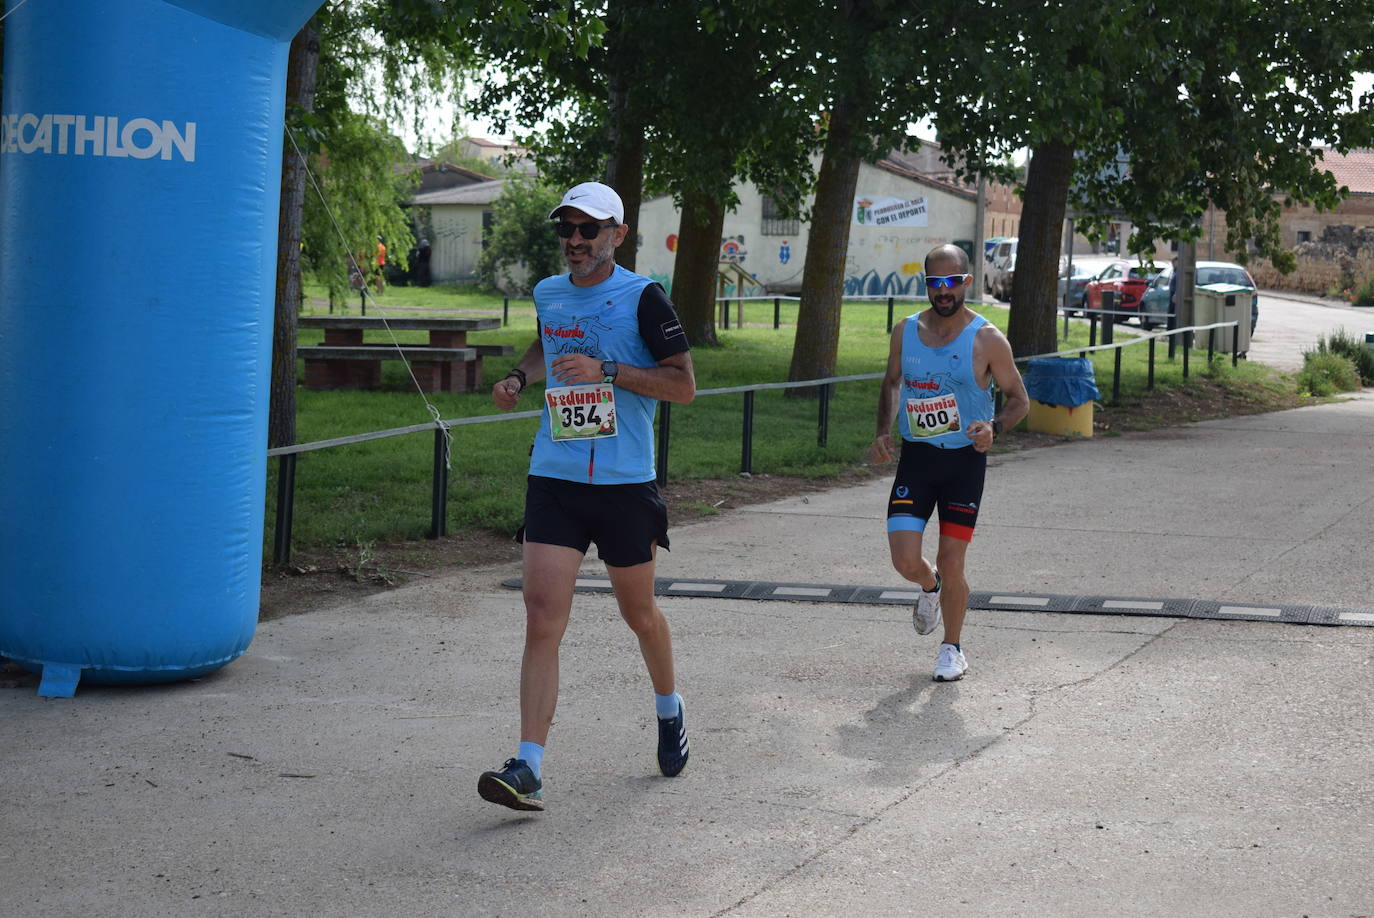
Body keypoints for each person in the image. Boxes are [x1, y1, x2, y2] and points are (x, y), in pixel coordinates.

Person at [479, 181, 696, 812]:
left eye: (588, 230)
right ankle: (529, 766)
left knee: (640, 615)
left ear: (617, 235)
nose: (575, 241)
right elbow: (547, 345)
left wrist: (608, 371)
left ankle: (668, 706)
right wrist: (521, 375)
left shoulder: (643, 297)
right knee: (542, 617)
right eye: (566, 230)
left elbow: (683, 386)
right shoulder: (548, 293)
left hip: (626, 481)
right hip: (556, 472)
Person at [869, 243, 1029, 682]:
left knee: (953, 559)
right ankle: (928, 586)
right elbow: (891, 382)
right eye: (934, 283)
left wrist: (994, 426)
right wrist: (883, 431)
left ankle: (951, 649)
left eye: (951, 282)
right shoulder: (906, 330)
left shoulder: (987, 339)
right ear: (927, 284)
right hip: (917, 460)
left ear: (966, 282)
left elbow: (1020, 400)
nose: (943, 291)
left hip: (963, 464)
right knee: (905, 559)